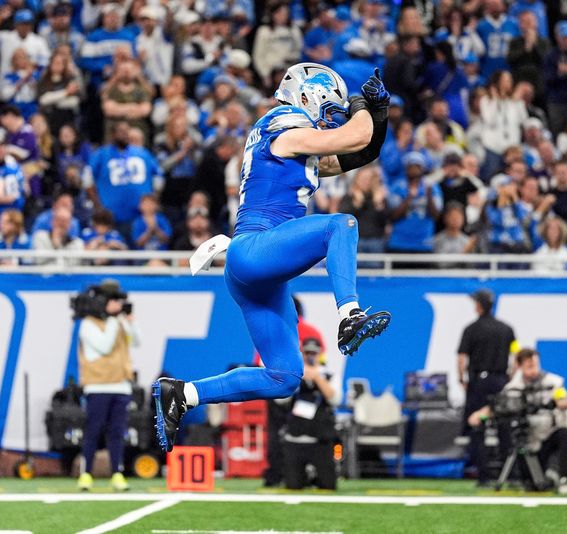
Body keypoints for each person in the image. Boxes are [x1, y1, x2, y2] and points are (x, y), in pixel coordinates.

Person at [152, 63, 392, 452]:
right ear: (307, 97)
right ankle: (350, 314)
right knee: (341, 224)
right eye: (329, 110)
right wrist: (361, 106)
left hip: (254, 267)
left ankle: (185, 394)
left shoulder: (290, 140)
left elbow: (363, 149)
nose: (331, 121)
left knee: (284, 376)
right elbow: (356, 135)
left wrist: (377, 114)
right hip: (255, 249)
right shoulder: (284, 123)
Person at [468, 348, 567, 494]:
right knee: (534, 485)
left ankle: (563, 479)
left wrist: (553, 403)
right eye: (529, 366)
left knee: (565, 434)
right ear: (520, 366)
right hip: (531, 439)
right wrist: (479, 414)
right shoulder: (514, 387)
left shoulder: (553, 382)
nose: (534, 369)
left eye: (535, 364)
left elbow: (565, 402)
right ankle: (541, 477)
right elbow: (499, 405)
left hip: (551, 432)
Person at [75, 279, 140, 492]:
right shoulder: (88, 324)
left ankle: (117, 473)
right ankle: (86, 474)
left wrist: (129, 322)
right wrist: (114, 320)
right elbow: (104, 346)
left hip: (121, 385)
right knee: (93, 431)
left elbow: (136, 341)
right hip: (97, 386)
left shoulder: (118, 322)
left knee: (117, 432)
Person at [458, 288, 518, 487]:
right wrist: (509, 377)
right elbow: (517, 356)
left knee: (478, 427)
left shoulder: (471, 329)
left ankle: (483, 477)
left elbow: (462, 357)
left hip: (479, 383)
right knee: (504, 428)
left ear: (479, 305)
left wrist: (462, 378)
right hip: (500, 382)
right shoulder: (506, 329)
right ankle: (507, 475)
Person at [278, 337, 340, 490]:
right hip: (295, 439)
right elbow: (280, 400)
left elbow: (335, 399)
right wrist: (296, 378)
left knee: (328, 485)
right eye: (307, 353)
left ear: (320, 355)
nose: (310, 356)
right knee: (293, 485)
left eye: (314, 353)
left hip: (320, 441)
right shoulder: (293, 375)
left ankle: (316, 478)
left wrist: (318, 378)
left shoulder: (329, 375)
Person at [82, 121, 164, 233]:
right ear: (112, 135)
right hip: (111, 217)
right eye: (121, 131)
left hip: (140, 216)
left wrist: (153, 199)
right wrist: (98, 205)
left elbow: (158, 176)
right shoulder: (101, 155)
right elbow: (87, 180)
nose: (125, 134)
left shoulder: (142, 153)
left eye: (127, 131)